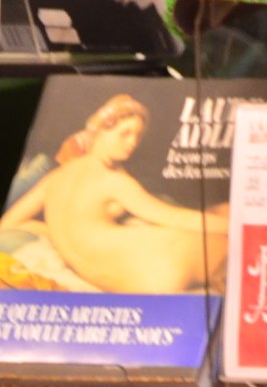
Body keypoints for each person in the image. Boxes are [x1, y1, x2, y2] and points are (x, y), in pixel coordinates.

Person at [0, 93, 226, 294]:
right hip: (163, 261)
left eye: (137, 136)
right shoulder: (113, 182)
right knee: (229, 232)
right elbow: (175, 218)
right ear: (100, 131)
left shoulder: (55, 178)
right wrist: (236, 226)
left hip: (132, 278)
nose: (132, 143)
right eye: (124, 133)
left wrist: (57, 232)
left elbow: (9, 223)